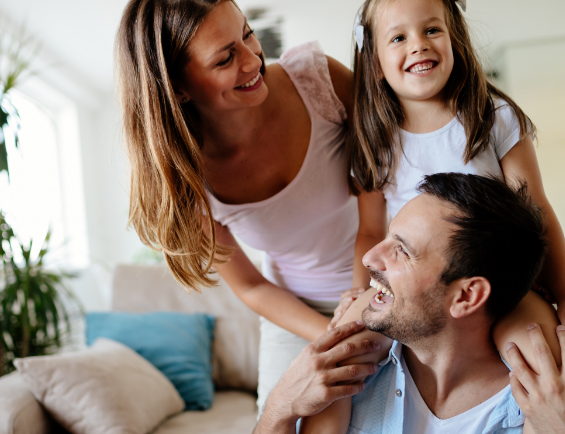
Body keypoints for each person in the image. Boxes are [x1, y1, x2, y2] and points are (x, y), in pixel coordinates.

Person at [290, 1, 565, 434]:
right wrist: (359, 290)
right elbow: (370, 230)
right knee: (343, 352)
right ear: (374, 60)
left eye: (432, 30)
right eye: (399, 38)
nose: (419, 46)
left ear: (454, 37)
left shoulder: (493, 118)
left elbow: (537, 211)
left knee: (541, 361)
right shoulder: (375, 136)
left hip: (504, 287)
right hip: (415, 286)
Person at [238, 173, 565, 434]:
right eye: (388, 236)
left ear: (467, 296)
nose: (372, 257)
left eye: (402, 251)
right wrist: (279, 412)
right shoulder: (347, 367)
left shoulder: (554, 390)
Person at [116, 0, 390, 412]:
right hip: (296, 313)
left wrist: (358, 308)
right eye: (226, 58)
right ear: (177, 88)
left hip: (382, 282)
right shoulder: (187, 182)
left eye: (247, 34)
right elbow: (251, 285)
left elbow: (386, 175)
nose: (254, 60)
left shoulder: (318, 79)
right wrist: (331, 334)